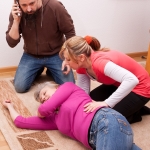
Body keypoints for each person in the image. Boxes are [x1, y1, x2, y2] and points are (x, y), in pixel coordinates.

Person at [3, 82, 141, 150]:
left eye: (44, 93)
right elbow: (21, 122)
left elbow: (44, 109)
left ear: (56, 87)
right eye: (41, 99)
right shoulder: (55, 119)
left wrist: (42, 109)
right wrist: (10, 107)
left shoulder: (69, 88)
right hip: (105, 137)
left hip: (105, 121)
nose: (44, 99)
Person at [59, 35, 150, 124]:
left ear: (81, 57)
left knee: (105, 117)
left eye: (68, 59)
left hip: (141, 88)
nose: (66, 63)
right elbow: (84, 91)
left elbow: (132, 80)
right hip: (117, 84)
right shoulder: (82, 65)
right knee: (90, 103)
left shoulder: (100, 63)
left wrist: (106, 103)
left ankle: (136, 113)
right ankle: (131, 105)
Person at [6, 0, 75, 93]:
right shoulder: (16, 13)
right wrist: (16, 21)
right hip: (31, 56)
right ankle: (38, 69)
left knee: (69, 86)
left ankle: (50, 71)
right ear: (18, 4)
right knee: (19, 87)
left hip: (56, 54)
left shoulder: (55, 6)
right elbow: (11, 43)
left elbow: (70, 33)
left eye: (32, 3)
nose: (29, 9)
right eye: (24, 5)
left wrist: (68, 58)